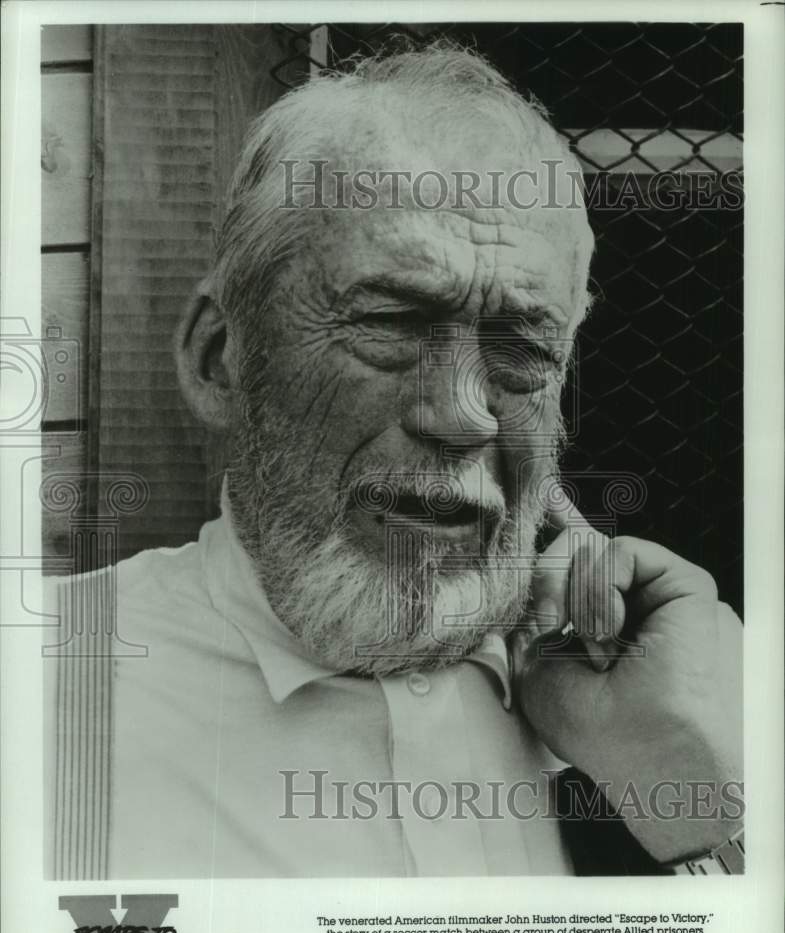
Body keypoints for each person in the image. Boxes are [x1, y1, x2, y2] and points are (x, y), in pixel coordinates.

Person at [43, 41, 743, 880]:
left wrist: (699, 803)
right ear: (219, 359)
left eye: (519, 347)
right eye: (392, 324)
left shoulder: (633, 699)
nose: (459, 414)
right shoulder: (45, 690)